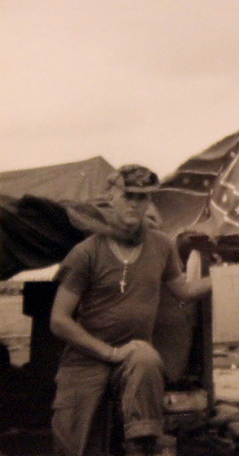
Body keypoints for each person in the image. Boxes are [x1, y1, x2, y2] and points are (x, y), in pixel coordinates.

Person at [50, 164, 211, 456]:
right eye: (129, 196)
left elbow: (184, 291)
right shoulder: (87, 252)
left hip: (133, 353)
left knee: (146, 358)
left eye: (143, 198)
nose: (135, 205)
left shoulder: (161, 246)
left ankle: (142, 445)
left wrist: (229, 279)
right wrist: (109, 353)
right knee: (73, 443)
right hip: (86, 359)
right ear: (111, 197)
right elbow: (59, 321)